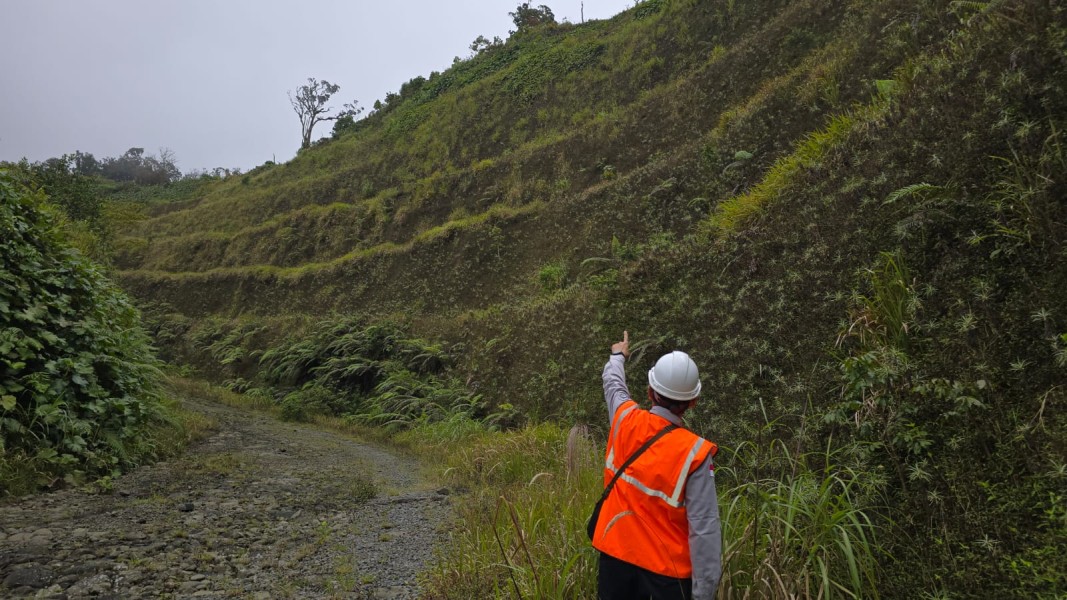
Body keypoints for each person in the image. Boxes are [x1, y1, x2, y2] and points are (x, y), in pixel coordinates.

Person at [592, 331, 721, 600]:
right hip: (666, 579)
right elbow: (704, 530)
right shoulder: (695, 453)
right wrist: (703, 595)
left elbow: (613, 385)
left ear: (650, 392)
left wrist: (618, 356)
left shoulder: (625, 418)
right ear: (693, 402)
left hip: (614, 560)